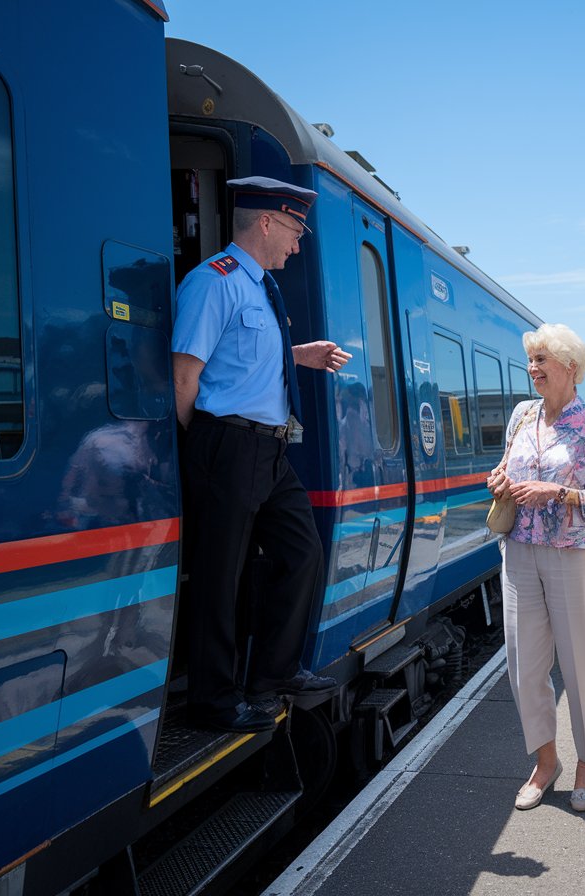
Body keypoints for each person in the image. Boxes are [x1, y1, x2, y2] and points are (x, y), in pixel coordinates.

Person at [172, 176, 352, 734]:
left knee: (303, 554)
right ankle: (213, 703)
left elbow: (242, 356)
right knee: (218, 578)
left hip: (270, 450)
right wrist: (201, 450)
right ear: (268, 222)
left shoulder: (261, 289)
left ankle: (273, 673)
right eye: (296, 231)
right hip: (227, 445)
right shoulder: (214, 282)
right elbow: (185, 377)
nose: (298, 245)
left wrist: (301, 355)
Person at [486, 323, 585, 813]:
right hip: (519, 550)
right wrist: (499, 479)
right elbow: (508, 467)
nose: (532, 369)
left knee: (580, 665)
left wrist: (556, 492)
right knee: (524, 665)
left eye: (542, 360)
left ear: (570, 368)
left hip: (572, 552)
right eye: (531, 360)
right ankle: (546, 762)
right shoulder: (523, 416)